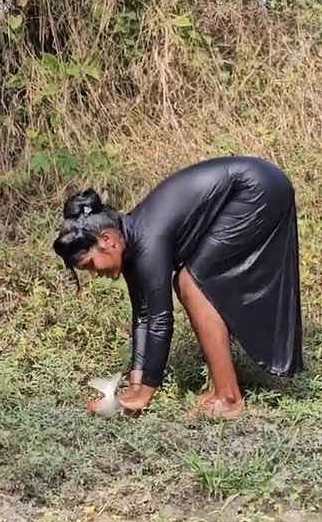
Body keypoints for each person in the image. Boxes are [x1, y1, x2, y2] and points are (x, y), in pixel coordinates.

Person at [52, 155, 306, 420]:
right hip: (253, 186)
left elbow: (161, 319)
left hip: (257, 189)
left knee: (189, 283)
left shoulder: (148, 241)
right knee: (190, 281)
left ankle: (228, 397)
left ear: (107, 240)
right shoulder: (131, 242)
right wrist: (135, 384)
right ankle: (222, 389)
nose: (95, 273)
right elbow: (143, 315)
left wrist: (146, 393)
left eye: (90, 264)